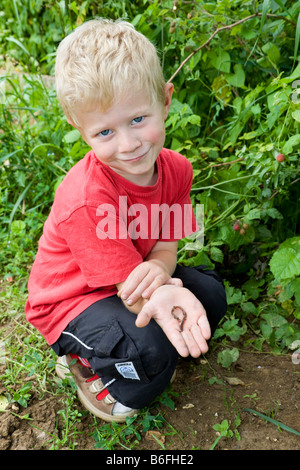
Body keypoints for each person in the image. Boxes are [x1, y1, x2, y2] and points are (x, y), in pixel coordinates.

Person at [25, 18, 227, 422]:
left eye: (138, 119)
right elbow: (131, 291)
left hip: (132, 274)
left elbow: (168, 245)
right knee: (148, 354)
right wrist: (161, 292)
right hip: (73, 298)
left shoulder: (179, 170)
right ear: (79, 129)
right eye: (104, 132)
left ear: (165, 100)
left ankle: (141, 338)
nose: (129, 144)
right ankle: (90, 366)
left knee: (211, 295)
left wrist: (158, 267)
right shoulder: (86, 198)